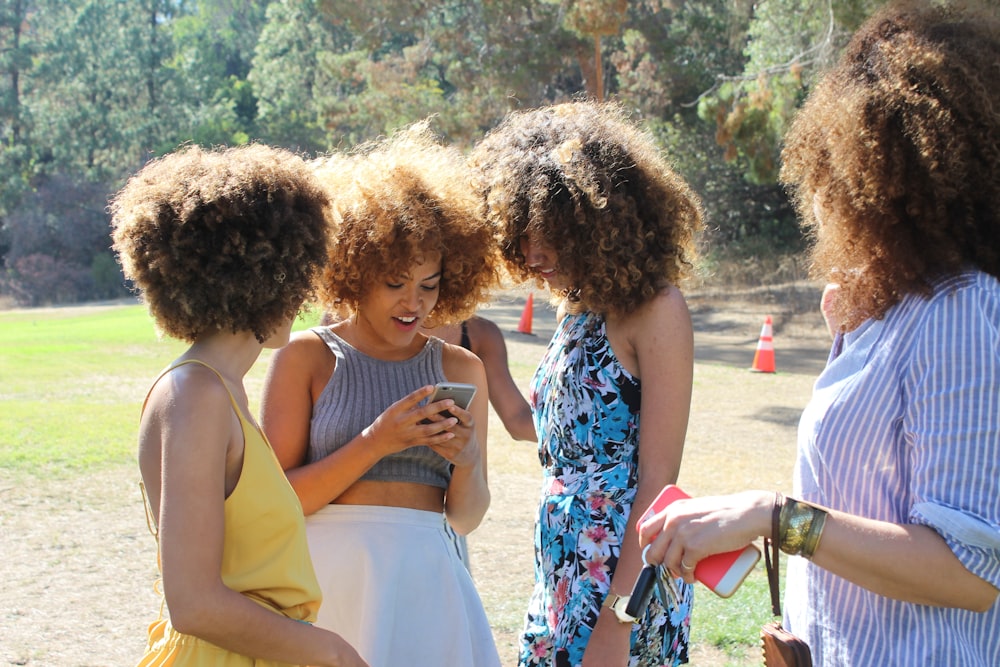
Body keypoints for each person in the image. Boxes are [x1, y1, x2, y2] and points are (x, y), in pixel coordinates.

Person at [639, 2, 1000, 664]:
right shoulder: (889, 307)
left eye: (838, 160)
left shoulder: (960, 309)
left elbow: (969, 572)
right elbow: (867, 494)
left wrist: (776, 516)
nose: (819, 189)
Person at [110, 144, 368, 667]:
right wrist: (333, 651)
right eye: (298, 274)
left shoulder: (218, 389)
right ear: (266, 278)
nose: (304, 294)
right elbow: (195, 604)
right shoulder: (196, 395)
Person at [468, 100, 704, 667]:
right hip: (561, 573)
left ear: (596, 222)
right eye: (522, 234)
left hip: (622, 580)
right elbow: (538, 431)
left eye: (548, 233)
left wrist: (618, 619)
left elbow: (658, 479)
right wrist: (486, 358)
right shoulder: (576, 307)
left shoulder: (655, 308)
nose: (533, 254)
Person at [260, 122, 503, 667]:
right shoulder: (305, 357)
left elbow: (465, 518)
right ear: (354, 269)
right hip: (328, 584)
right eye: (395, 282)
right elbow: (279, 505)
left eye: (430, 283)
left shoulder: (461, 366)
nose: (413, 302)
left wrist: (466, 460)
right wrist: (375, 441)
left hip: (428, 585)